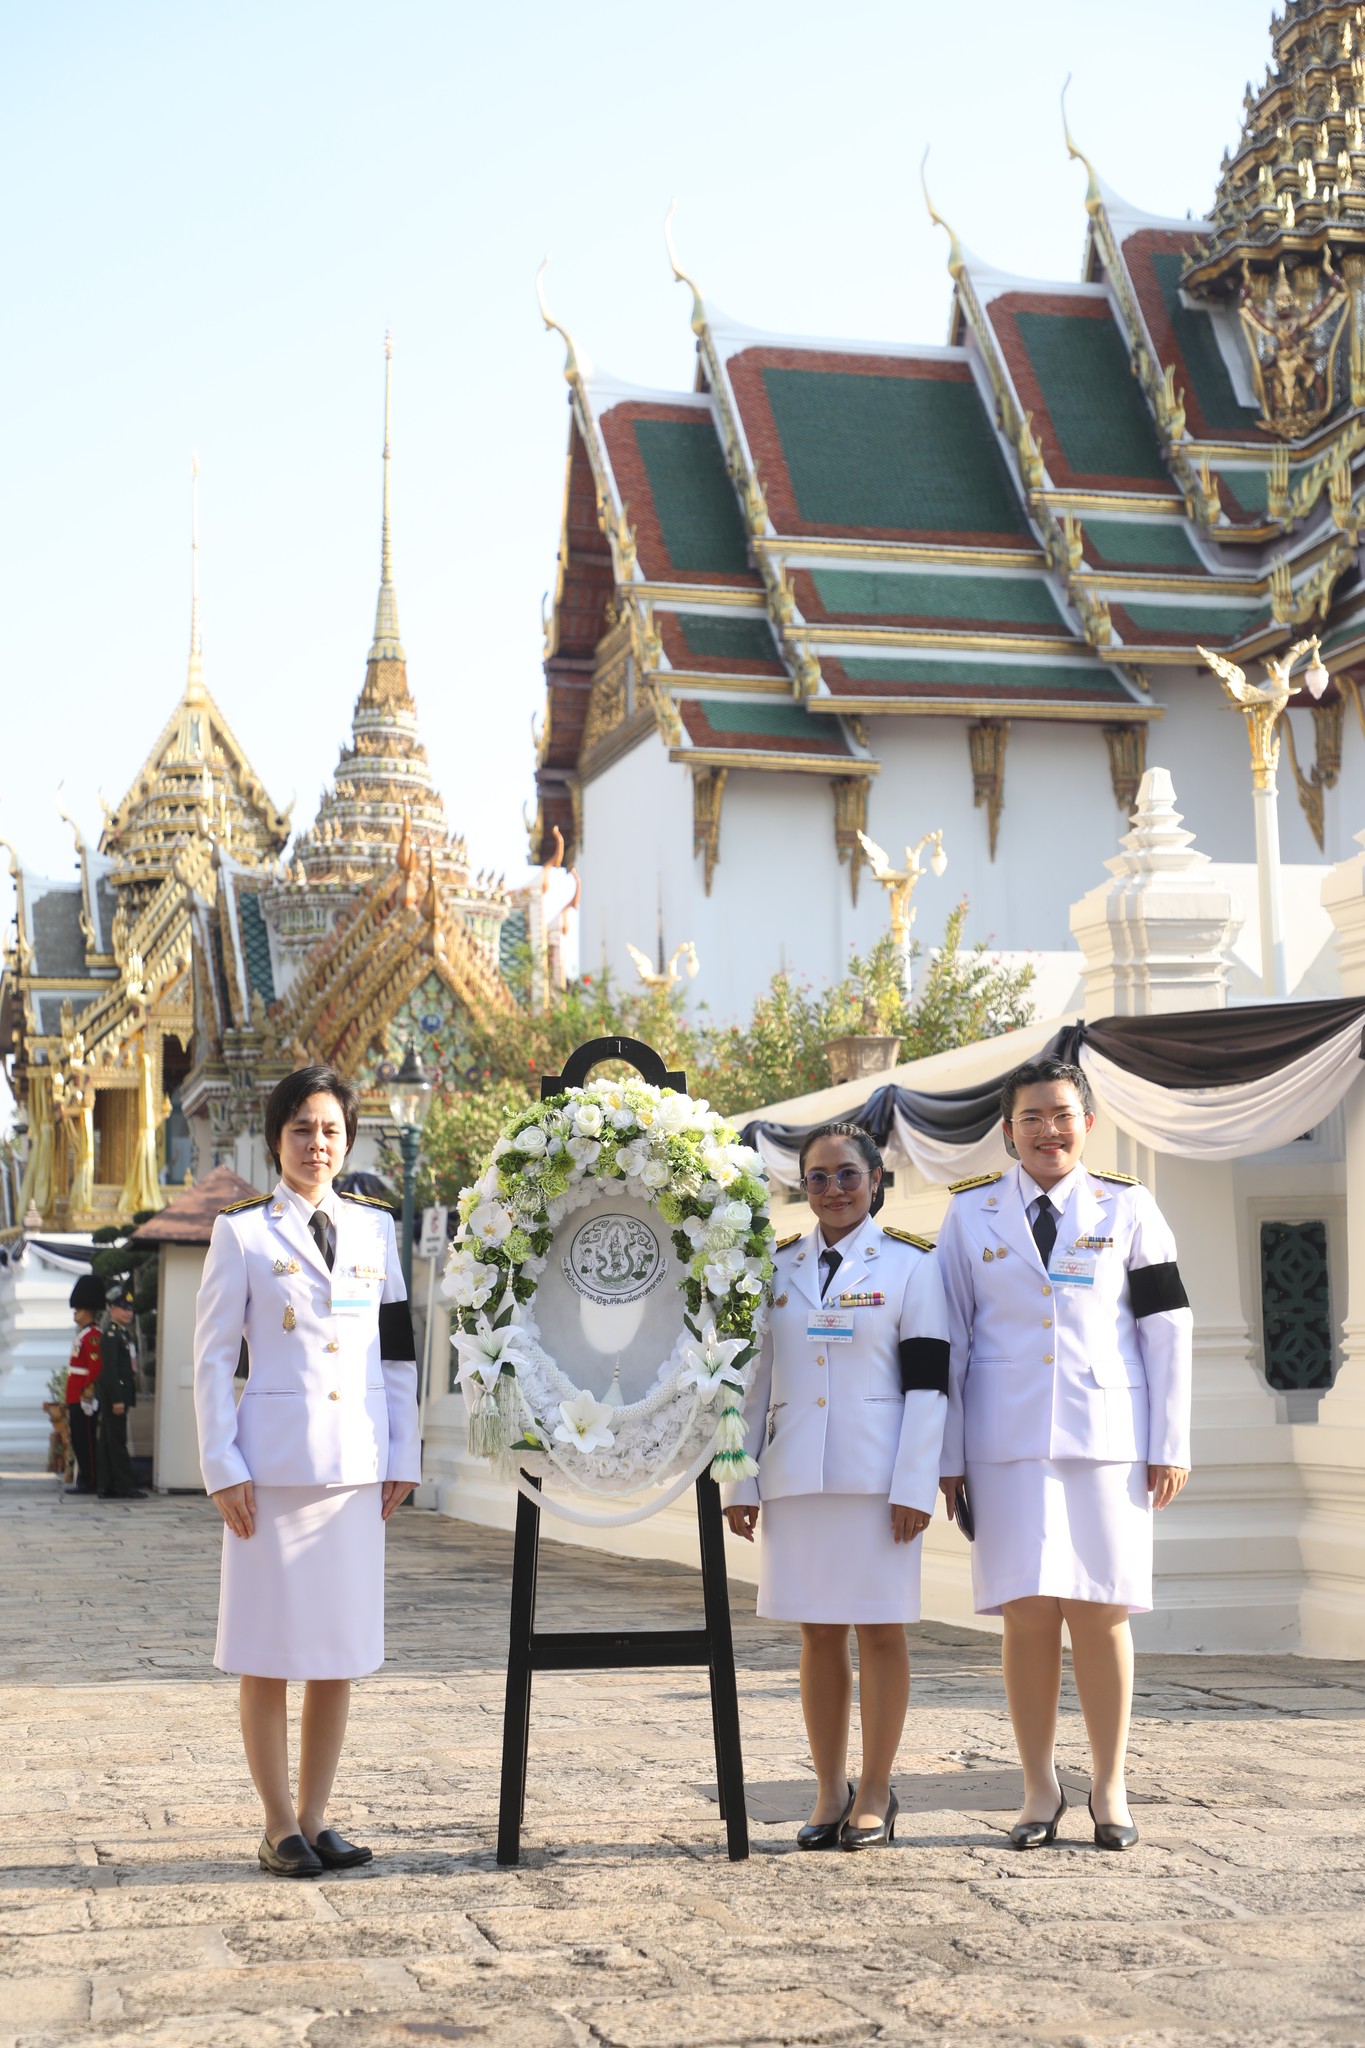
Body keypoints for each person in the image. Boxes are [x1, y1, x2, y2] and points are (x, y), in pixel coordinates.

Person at [936, 1056, 1192, 1853]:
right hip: (1003, 1443)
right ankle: (1038, 1784)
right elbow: (946, 1342)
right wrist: (947, 1457)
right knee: (1026, 1614)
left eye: (1061, 1115)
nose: (1047, 1131)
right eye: (1030, 1119)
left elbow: (1167, 1328)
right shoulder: (969, 1216)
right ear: (1007, 1132)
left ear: (1086, 1121)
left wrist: (1169, 1440)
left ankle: (1109, 1784)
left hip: (1107, 1442)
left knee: (1102, 1611)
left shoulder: (1129, 1207)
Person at [194, 1063, 420, 1879]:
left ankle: (318, 1816)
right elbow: (215, 1360)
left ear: (347, 1138)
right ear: (276, 1141)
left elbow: (396, 1351)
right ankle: (277, 1821)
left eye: (329, 1129)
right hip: (273, 1472)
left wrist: (404, 1452)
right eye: (301, 1129)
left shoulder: (375, 1230)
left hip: (355, 1471)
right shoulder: (243, 1232)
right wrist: (222, 1466)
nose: (316, 1143)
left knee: (336, 1652)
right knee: (265, 1650)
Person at [723, 1121, 948, 1851]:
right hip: (795, 1478)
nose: (832, 1190)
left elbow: (928, 1387)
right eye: (817, 1177)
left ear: (875, 1180)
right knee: (817, 1634)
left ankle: (876, 1787)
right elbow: (749, 1387)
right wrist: (739, 1479)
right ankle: (828, 1787)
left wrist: (915, 1481)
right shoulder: (775, 1265)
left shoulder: (912, 1266)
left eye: (847, 1174)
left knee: (879, 1632)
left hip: (877, 1481)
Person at [97, 1280, 147, 1500]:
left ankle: (107, 1485)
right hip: (114, 1397)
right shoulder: (111, 1335)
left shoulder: (121, 1334)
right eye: (123, 1309)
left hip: (119, 1396)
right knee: (116, 1442)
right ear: (112, 1309)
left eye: (130, 1309)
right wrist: (117, 1399)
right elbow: (109, 1371)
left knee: (109, 1441)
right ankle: (124, 1486)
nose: (128, 1313)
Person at [65, 1274, 105, 1495]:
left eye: (78, 1309)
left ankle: (90, 1480)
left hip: (82, 1396)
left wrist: (87, 1393)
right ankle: (85, 1478)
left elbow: (95, 1368)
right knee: (79, 1439)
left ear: (88, 1311)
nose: (75, 1313)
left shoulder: (93, 1336)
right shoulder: (84, 1335)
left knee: (86, 1440)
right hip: (75, 1393)